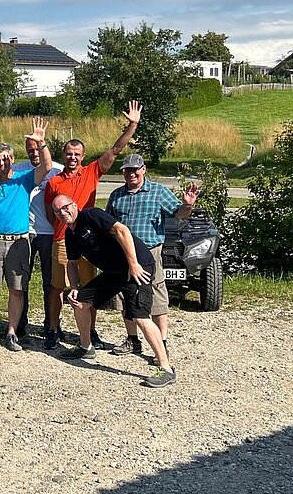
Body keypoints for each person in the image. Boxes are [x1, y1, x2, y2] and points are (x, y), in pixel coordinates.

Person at [50, 194, 176, 388]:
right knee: (80, 301)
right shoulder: (70, 234)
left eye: (65, 207)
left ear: (74, 205)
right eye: (58, 211)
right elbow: (72, 263)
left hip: (138, 266)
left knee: (140, 316)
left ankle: (166, 368)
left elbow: (122, 230)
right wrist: (74, 287)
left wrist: (133, 264)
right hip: (114, 272)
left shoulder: (91, 216)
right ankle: (86, 346)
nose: (63, 212)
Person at [43, 100, 142, 349]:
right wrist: (60, 230)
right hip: (62, 240)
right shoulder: (54, 182)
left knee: (89, 289)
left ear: (83, 156)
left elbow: (115, 150)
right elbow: (49, 212)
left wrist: (132, 126)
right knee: (58, 287)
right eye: (69, 153)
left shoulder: (92, 172)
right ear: (63, 155)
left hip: (90, 242)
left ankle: (90, 331)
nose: (73, 157)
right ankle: (53, 329)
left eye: (77, 154)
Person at [105, 153, 199, 355]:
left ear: (143, 169)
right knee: (126, 294)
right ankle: (132, 339)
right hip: (123, 253)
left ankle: (161, 343)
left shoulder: (158, 191)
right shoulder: (116, 195)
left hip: (150, 251)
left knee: (156, 293)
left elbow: (179, 214)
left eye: (135, 170)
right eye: (127, 170)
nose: (131, 174)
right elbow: (109, 224)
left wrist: (187, 205)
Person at [0, 118, 52, 352]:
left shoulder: (24, 179)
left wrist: (41, 143)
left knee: (17, 289)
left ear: (13, 159)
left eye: (6, 159)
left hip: (18, 242)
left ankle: (11, 333)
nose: (2, 163)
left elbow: (47, 167)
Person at [12, 137, 64, 348]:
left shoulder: (57, 170)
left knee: (51, 283)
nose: (33, 153)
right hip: (25, 232)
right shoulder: (18, 170)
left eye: (36, 149)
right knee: (21, 281)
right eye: (29, 149)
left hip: (49, 232)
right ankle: (20, 323)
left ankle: (52, 324)